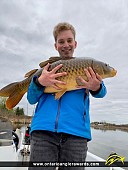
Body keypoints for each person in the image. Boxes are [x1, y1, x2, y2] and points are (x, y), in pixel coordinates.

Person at [27, 22, 107, 170]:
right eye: (61, 41)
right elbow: (31, 99)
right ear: (56, 45)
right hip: (43, 132)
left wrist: (96, 87)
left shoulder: (87, 67)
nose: (66, 45)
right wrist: (39, 82)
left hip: (76, 134)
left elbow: (101, 92)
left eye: (69, 40)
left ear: (75, 43)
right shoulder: (46, 70)